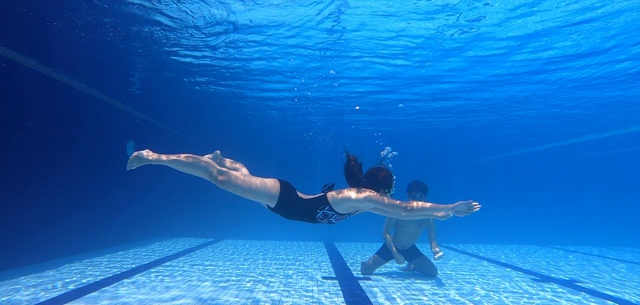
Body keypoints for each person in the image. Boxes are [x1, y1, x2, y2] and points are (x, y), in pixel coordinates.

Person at [126, 149, 481, 224]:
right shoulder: (363, 197)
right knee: (219, 180)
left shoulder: (364, 199)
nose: (389, 200)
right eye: (389, 192)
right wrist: (448, 208)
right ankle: (152, 156)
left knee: (237, 174)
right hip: (285, 198)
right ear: (382, 190)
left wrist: (441, 212)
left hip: (284, 204)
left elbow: (404, 209)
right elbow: (405, 210)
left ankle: (221, 157)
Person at [361, 180, 445, 277]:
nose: (416, 202)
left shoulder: (429, 217)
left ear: (425, 198)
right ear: (408, 197)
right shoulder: (398, 210)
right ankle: (367, 262)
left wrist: (436, 251)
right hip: (391, 247)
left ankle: (413, 265)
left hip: (410, 249)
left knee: (433, 272)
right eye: (413, 197)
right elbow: (385, 232)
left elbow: (433, 241)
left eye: (420, 198)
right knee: (365, 270)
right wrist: (395, 253)